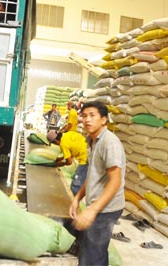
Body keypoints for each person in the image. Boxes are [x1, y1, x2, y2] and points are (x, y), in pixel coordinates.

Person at [68, 101, 126, 266]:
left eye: (92, 115)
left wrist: (92, 210)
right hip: (98, 204)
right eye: (84, 116)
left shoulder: (109, 143)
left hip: (107, 208)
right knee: (95, 251)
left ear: (103, 120)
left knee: (91, 256)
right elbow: (92, 176)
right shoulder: (93, 141)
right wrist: (77, 199)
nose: (87, 120)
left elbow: (115, 181)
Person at [46, 129, 88, 195]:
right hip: (91, 152)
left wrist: (59, 164)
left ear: (56, 141)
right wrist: (61, 158)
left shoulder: (63, 144)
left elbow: (69, 162)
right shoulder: (69, 133)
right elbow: (72, 149)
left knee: (76, 184)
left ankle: (73, 201)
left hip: (85, 160)